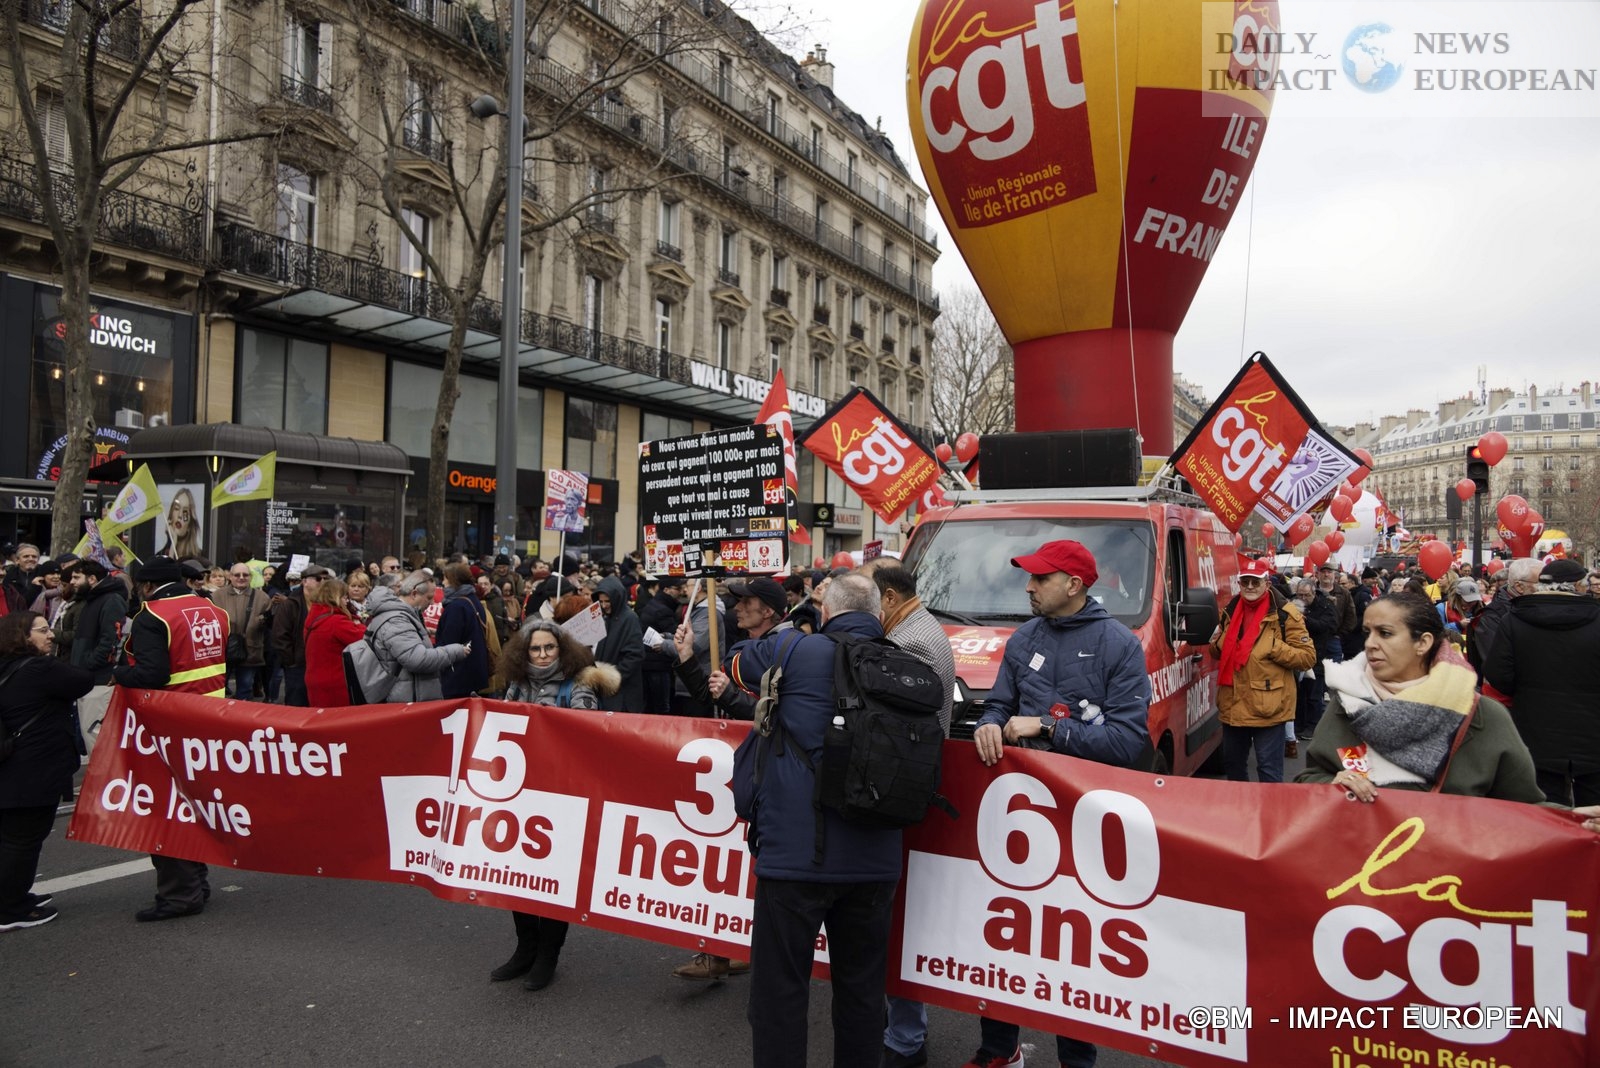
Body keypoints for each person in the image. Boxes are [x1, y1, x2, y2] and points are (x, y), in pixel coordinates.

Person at [969, 540, 1152, 1068]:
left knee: (1072, 943)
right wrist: (988, 724)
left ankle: (1077, 1060)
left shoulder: (1120, 645)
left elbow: (1127, 742)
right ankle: (999, 1051)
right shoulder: (1023, 638)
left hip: (1083, 820)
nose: (1028, 587)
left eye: (1040, 578)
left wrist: (1050, 728)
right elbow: (999, 705)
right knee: (1005, 933)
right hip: (1022, 815)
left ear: (1073, 585)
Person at [725, 573, 901, 1068]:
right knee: (863, 995)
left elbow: (736, 661)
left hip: (795, 857)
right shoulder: (907, 663)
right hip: (876, 859)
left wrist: (795, 627)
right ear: (879, 616)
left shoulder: (796, 650)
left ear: (826, 613)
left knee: (780, 993)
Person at [1298, 591, 1544, 803]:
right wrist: (1332, 784)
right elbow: (1308, 779)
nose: (1370, 643)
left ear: (1423, 643)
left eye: (1385, 633)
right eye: (1367, 632)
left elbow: (1525, 811)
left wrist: (1570, 821)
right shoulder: (1348, 702)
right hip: (1365, 845)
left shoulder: (1482, 715)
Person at [859, 560, 956, 1068]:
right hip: (900, 789)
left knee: (894, 921)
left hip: (897, 792)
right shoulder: (914, 627)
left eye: (865, 601)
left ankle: (905, 1037)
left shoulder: (911, 642)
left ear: (889, 599)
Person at [492, 620, 619, 990]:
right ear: (525, 652)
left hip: (561, 798)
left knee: (552, 878)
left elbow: (588, 731)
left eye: (550, 647)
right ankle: (525, 949)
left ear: (562, 650)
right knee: (517, 874)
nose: (543, 654)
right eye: (536, 648)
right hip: (519, 795)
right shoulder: (517, 683)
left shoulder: (578, 683)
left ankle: (548, 954)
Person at [114, 557, 230, 922]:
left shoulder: (153, 615)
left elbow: (152, 674)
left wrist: (115, 673)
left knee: (166, 809)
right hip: (211, 720)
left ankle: (180, 894)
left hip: (170, 724)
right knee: (193, 805)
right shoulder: (213, 610)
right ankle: (196, 883)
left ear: (147, 585)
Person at [0, 612, 94, 931]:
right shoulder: (39, 668)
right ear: (23, 636)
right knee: (23, 840)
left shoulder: (7, 666)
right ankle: (10, 909)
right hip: (32, 770)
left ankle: (13, 895)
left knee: (11, 837)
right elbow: (82, 680)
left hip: (11, 765)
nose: (51, 635)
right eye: (42, 630)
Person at [1483, 559, 1600, 807]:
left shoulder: (1514, 619)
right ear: (1579, 586)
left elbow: (1498, 674)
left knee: (1546, 811)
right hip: (1592, 732)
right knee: (1594, 811)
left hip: (1535, 729)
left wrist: (1525, 692)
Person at [363, 572, 469, 702]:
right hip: (403, 701)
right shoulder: (397, 621)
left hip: (404, 696)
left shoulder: (398, 617)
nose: (432, 603)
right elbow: (417, 659)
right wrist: (456, 650)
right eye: (429, 597)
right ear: (414, 594)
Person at [65, 559, 128, 748]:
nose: (72, 582)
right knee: (90, 735)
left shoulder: (111, 600)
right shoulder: (92, 600)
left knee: (98, 739)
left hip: (99, 681)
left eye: (77, 577)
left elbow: (111, 640)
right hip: (88, 680)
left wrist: (90, 664)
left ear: (92, 579)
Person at [1291, 575, 1338, 752]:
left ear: (1313, 593)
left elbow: (1329, 626)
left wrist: (1305, 620)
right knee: (1299, 694)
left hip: (1318, 654)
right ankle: (1299, 724)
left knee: (1314, 694)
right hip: (1297, 655)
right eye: (1300, 595)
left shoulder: (1325, 606)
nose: (1303, 598)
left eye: (1306, 595)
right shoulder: (1292, 604)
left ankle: (1313, 726)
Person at [303, 578, 366, 707]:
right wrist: (357, 621)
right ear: (336, 597)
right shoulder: (336, 622)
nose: (346, 601)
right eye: (345, 597)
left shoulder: (313, 617)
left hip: (314, 678)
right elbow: (363, 637)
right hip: (335, 681)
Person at [272, 563, 327, 706]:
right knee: (297, 703)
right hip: (298, 665)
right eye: (318, 578)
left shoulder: (328, 604)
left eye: (325, 579)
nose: (322, 582)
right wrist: (292, 661)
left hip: (320, 664)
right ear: (304, 581)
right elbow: (280, 635)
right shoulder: (290, 604)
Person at [434, 563, 489, 698]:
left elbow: (449, 641)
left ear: (454, 580)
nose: (443, 583)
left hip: (458, 674)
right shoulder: (473, 599)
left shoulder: (457, 606)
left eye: (445, 578)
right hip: (472, 671)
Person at [217, 562, 270, 700]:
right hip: (224, 650)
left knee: (245, 688)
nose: (241, 577)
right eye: (237, 575)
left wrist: (259, 621)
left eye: (245, 575)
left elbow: (269, 624)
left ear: (250, 577)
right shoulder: (217, 596)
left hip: (250, 650)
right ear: (230, 576)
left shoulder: (262, 597)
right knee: (219, 689)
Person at [593, 575, 644, 713]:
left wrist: (612, 678)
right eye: (601, 601)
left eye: (607, 601)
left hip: (623, 693)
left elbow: (635, 655)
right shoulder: (605, 617)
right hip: (606, 689)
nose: (604, 605)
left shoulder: (629, 619)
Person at [156, 488, 203, 560]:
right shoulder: (159, 557)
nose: (180, 515)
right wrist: (172, 542)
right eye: (177, 508)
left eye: (185, 511)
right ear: (171, 516)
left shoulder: (199, 559)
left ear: (189, 526)